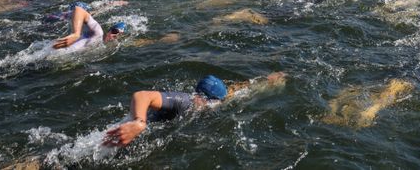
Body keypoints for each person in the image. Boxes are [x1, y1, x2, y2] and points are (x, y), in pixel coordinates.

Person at [104, 72, 286, 147]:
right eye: (216, 102)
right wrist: (139, 123)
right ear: (204, 99)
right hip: (124, 134)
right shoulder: (184, 101)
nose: (217, 106)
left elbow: (235, 92)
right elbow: (142, 95)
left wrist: (267, 81)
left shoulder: (204, 101)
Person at [52, 4, 126, 50]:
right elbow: (79, 10)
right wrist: (76, 34)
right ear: (109, 31)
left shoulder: (99, 48)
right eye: (115, 31)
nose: (116, 35)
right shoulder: (98, 33)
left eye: (119, 35)